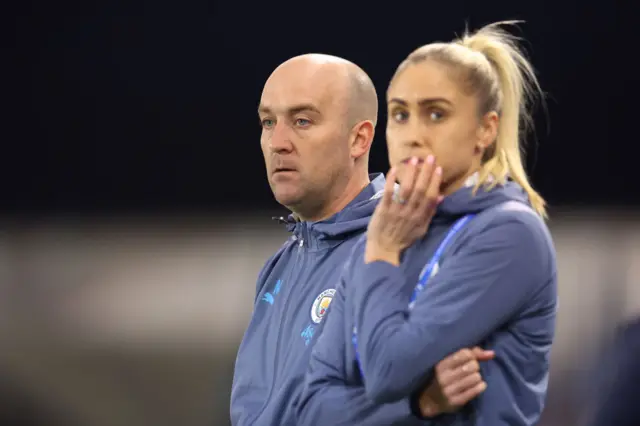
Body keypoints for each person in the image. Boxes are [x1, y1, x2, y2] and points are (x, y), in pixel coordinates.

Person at [298, 21, 558, 425]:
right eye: (400, 115)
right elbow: (312, 408)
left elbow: (387, 371)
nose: (413, 135)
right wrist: (421, 403)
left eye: (436, 114)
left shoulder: (509, 234)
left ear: (485, 130)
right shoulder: (389, 229)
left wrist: (383, 252)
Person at [230, 54, 493, 426]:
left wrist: (417, 403)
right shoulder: (280, 266)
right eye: (268, 122)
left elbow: (446, 387)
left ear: (359, 138)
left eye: (302, 121)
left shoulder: (410, 246)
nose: (278, 142)